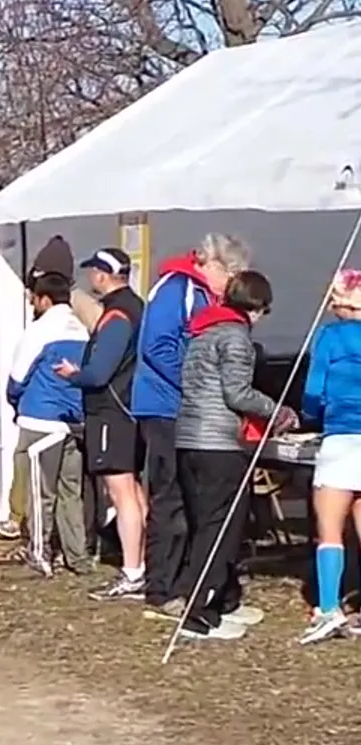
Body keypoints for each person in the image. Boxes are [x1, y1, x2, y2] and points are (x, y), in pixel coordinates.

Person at [163, 270, 287, 641]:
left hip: (188, 439)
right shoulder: (236, 338)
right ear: (256, 307)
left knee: (206, 524)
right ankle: (200, 612)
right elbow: (237, 394)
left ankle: (225, 600)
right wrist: (278, 410)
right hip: (218, 444)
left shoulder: (202, 334)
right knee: (221, 529)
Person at [132, 234, 249, 609]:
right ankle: (160, 587)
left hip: (187, 410)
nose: (230, 282)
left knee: (190, 498)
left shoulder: (203, 295)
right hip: (165, 405)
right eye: (230, 273)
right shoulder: (177, 288)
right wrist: (195, 381)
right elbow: (157, 344)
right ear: (212, 264)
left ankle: (191, 583)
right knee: (169, 497)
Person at [55, 249, 147, 599]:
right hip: (130, 408)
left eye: (93, 271)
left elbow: (99, 371)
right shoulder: (137, 307)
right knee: (134, 492)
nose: (90, 277)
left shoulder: (117, 315)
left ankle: (132, 570)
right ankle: (141, 564)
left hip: (112, 410)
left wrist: (73, 375)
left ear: (103, 275)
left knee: (122, 492)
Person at [4, 271, 91, 579]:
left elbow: (17, 378)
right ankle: (77, 556)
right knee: (71, 492)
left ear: (43, 299)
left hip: (40, 419)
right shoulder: (82, 330)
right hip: (73, 422)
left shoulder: (40, 330)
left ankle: (39, 554)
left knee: (40, 493)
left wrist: (15, 403)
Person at [301, 270, 361, 644]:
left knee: (329, 532)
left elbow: (312, 393)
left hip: (340, 439)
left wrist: (312, 415)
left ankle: (327, 608)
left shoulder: (329, 337)